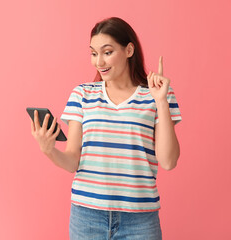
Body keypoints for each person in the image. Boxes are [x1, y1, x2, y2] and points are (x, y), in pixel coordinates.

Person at [30, 17, 181, 240]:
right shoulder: (82, 95)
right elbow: (72, 161)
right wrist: (48, 150)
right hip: (86, 217)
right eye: (93, 53)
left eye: (107, 52)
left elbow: (168, 161)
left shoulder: (158, 94)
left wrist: (160, 101)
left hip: (140, 220)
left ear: (129, 50)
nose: (98, 62)